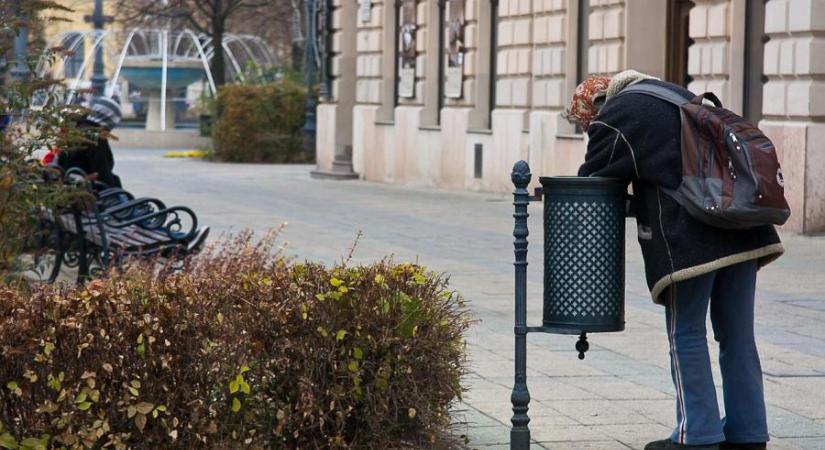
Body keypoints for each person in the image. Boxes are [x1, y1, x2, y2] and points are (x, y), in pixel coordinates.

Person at [568, 70, 784, 450]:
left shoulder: (618, 115)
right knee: (737, 335)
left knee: (685, 332)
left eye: (586, 125)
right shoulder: (670, 95)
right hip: (742, 224)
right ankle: (748, 434)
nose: (590, 130)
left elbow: (591, 178)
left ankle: (697, 434)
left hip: (692, 238)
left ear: (596, 107)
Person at [57, 95, 123, 189]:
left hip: (70, 182)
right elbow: (102, 172)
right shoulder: (96, 137)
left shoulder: (76, 129)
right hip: (90, 190)